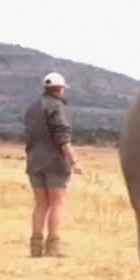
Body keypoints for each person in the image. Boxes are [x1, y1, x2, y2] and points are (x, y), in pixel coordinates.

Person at [23, 72, 83, 257]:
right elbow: (62, 138)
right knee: (57, 203)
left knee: (40, 203)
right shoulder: (57, 107)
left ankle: (35, 246)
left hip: (34, 161)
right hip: (55, 163)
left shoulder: (32, 108)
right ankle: (53, 246)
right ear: (59, 89)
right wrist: (74, 160)